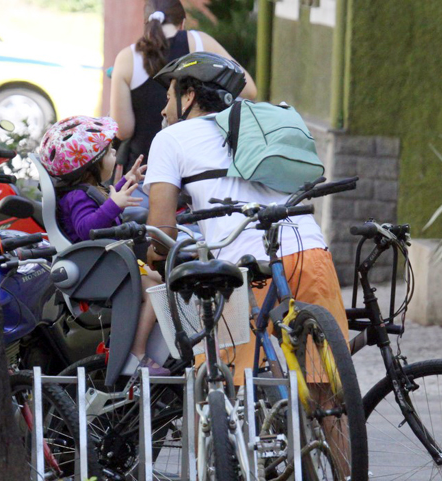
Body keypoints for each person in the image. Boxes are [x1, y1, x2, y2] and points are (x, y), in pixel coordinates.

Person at [143, 52, 350, 385]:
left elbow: (161, 230)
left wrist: (155, 255)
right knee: (326, 387)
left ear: (190, 96)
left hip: (238, 272)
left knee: (226, 389)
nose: (164, 109)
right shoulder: (256, 127)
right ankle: (330, 437)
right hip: (309, 252)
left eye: (168, 97)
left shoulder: (170, 139)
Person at [38, 115, 168, 375]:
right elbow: (88, 229)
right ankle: (136, 352)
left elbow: (101, 204)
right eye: (108, 153)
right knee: (155, 290)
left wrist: (125, 183)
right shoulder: (76, 197)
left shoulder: (84, 189)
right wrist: (114, 204)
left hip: (106, 261)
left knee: (156, 280)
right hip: (96, 266)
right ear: (90, 165)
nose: (114, 155)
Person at [109, 0, 258, 178]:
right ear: (182, 23)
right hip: (200, 167)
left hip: (147, 171)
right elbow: (248, 89)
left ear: (147, 23)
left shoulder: (127, 58)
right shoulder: (200, 43)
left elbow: (123, 129)